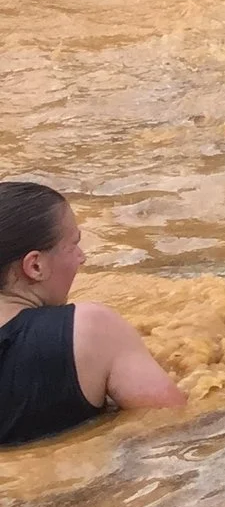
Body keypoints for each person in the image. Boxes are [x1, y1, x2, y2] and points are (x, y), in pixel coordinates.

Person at [2, 182, 187, 447]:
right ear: (35, 266)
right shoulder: (91, 331)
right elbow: (176, 426)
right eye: (73, 245)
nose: (82, 257)